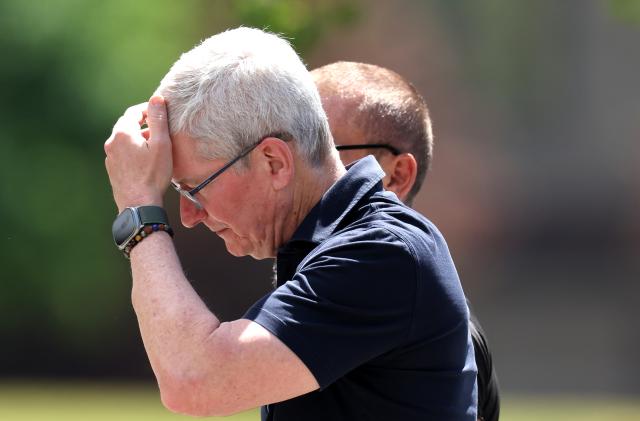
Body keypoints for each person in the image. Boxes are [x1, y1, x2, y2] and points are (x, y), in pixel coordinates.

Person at [104, 27, 477, 420]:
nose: (189, 215)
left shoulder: (383, 251)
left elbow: (195, 379)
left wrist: (139, 207)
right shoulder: (344, 247)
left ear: (274, 162)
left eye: (195, 188)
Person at [311, 61, 500, 421]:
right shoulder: (315, 298)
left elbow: (199, 378)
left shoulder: (453, 340)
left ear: (396, 175)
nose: (291, 170)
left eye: (321, 151)